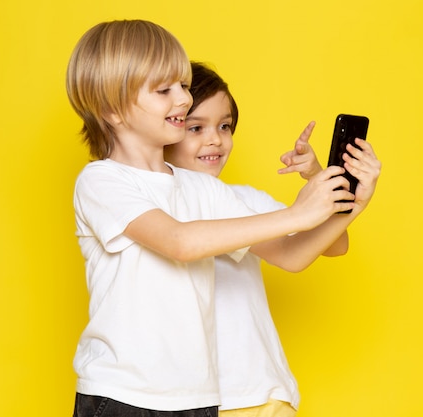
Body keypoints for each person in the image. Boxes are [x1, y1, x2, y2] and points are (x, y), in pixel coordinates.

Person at [65, 20, 356, 417]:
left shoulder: (205, 190)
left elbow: (291, 255)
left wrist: (351, 202)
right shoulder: (101, 181)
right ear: (111, 110)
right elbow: (180, 242)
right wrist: (297, 214)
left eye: (183, 85)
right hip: (123, 395)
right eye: (164, 90)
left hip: (198, 399)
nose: (183, 99)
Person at [164, 62, 381, 416]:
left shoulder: (243, 197)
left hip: (261, 392)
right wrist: (348, 205)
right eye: (196, 127)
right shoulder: (165, 204)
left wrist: (323, 183)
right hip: (209, 398)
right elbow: (292, 256)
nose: (215, 139)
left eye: (224, 126)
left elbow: (333, 246)